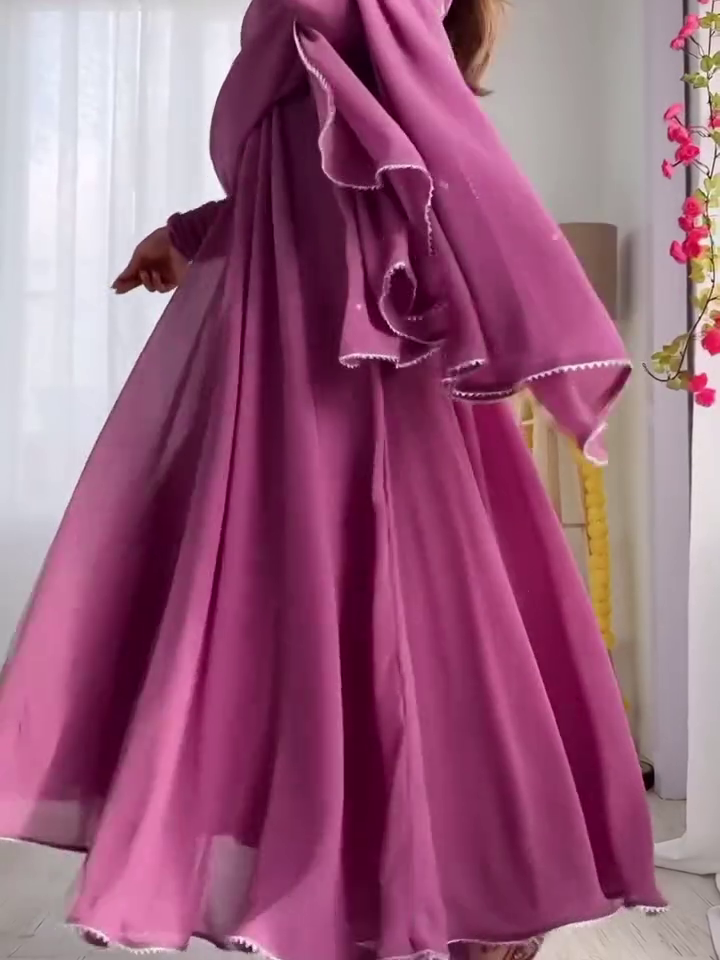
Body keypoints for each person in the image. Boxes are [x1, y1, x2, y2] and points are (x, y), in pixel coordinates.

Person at [0, 0, 664, 957]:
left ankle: (480, 888)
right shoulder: (335, 53)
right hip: (290, 351)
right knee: (306, 611)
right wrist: (192, 232)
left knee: (400, 607)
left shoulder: (351, 25)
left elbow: (398, 171)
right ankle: (374, 889)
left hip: (355, 365)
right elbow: (298, 180)